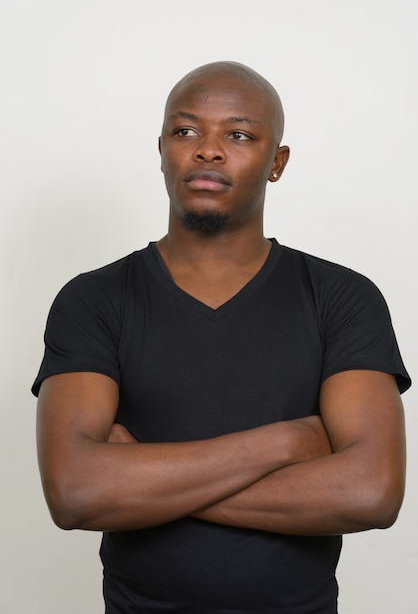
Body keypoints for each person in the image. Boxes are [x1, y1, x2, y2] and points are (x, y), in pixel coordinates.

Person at [33, 61, 410, 613]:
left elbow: (370, 492)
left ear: (276, 162)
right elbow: (75, 494)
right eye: (187, 131)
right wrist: (287, 444)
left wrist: (144, 482)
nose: (208, 150)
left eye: (239, 134)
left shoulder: (341, 297)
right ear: (161, 149)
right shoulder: (94, 300)